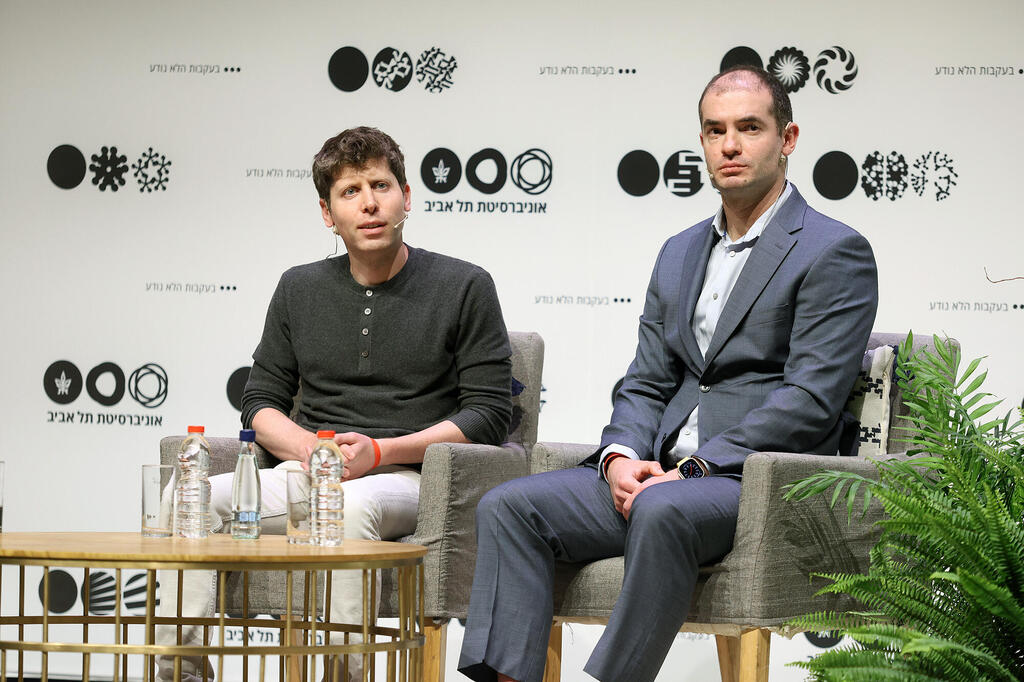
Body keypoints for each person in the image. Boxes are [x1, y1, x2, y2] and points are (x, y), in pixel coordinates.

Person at [458, 66, 879, 682]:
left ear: (787, 139)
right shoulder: (679, 250)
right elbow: (646, 380)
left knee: (663, 510)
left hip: (753, 479)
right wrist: (621, 456)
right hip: (658, 471)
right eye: (715, 131)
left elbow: (811, 399)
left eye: (749, 128)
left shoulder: (832, 249)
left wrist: (696, 467)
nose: (729, 145)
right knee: (508, 507)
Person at [158, 126, 512, 682]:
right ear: (328, 213)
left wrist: (380, 450)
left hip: (410, 479)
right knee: (190, 490)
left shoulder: (464, 285)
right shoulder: (298, 288)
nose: (370, 203)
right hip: (311, 471)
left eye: (381, 185)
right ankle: (181, 672)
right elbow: (259, 403)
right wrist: (313, 451)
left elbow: (490, 414)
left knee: (349, 509)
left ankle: (346, 678)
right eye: (351, 191)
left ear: (407, 198)